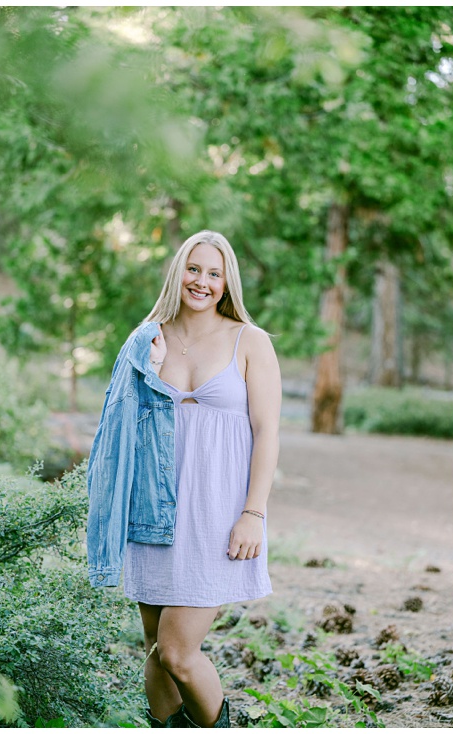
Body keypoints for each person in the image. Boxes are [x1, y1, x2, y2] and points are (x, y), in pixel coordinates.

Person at [87, 230, 281, 727]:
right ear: (178, 272)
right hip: (153, 509)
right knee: (155, 650)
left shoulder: (250, 342)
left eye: (214, 273)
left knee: (177, 651)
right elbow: (118, 423)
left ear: (226, 282)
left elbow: (267, 432)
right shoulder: (147, 337)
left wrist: (252, 514)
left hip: (217, 514)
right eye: (194, 269)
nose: (202, 281)